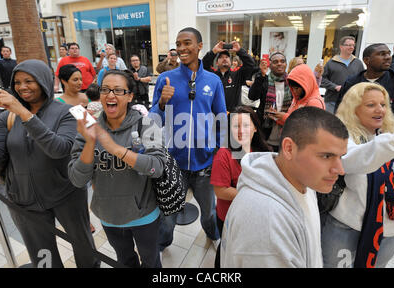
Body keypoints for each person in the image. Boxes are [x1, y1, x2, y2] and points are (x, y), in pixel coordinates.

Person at [0, 59, 99, 268]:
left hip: (66, 194)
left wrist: (24, 113)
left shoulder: (68, 112)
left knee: (83, 244)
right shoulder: (6, 117)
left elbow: (59, 149)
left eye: (29, 81)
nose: (22, 87)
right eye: (18, 82)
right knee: (42, 256)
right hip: (23, 200)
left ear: (44, 81)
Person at [221, 106, 349, 267]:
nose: (340, 170)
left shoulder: (303, 181)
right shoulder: (266, 225)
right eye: (326, 156)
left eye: (340, 157)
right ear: (289, 149)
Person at [68, 70, 167, 268]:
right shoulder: (89, 127)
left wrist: (114, 148)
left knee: (151, 260)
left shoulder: (147, 124)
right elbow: (77, 180)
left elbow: (158, 167)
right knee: (125, 260)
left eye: (118, 90)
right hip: (109, 216)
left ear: (130, 96)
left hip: (144, 214)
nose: (110, 95)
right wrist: (90, 142)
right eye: (105, 89)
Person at [322, 82, 394, 268]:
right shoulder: (342, 135)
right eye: (371, 105)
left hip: (390, 230)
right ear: (354, 108)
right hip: (346, 226)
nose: (380, 110)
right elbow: (352, 161)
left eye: (383, 104)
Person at [149, 27, 227, 252]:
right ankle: (162, 246)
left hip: (205, 165)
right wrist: (162, 103)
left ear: (200, 45)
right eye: (178, 44)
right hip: (174, 165)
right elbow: (153, 123)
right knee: (168, 216)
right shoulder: (165, 79)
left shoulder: (213, 81)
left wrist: (219, 151)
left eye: (187, 43)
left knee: (210, 212)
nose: (181, 48)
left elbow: (220, 118)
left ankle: (214, 236)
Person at [210, 105, 271, 268]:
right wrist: (253, 195)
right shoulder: (224, 154)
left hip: (252, 215)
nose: (241, 130)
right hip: (229, 216)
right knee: (226, 250)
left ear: (255, 128)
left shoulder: (261, 151)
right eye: (236, 126)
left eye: (245, 125)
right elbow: (220, 190)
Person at [335, 43, 394, 129]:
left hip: (389, 136)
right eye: (382, 54)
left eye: (389, 53)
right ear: (366, 60)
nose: (388, 57)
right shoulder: (351, 82)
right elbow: (341, 111)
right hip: (357, 135)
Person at [248, 52, 292, 151]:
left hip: (285, 133)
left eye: (282, 61)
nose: (279, 64)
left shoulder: (291, 82)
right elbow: (252, 96)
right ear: (270, 65)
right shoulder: (264, 80)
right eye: (275, 62)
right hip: (265, 132)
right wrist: (261, 75)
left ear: (286, 64)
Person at [202, 41, 255, 112]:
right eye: (221, 57)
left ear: (230, 62)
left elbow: (250, 64)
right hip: (215, 115)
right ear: (217, 63)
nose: (224, 59)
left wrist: (239, 50)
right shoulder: (212, 75)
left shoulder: (237, 75)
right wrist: (213, 51)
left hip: (233, 115)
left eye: (227, 57)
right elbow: (203, 65)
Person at [321, 36, 365, 113]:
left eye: (353, 45)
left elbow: (363, 80)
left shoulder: (358, 63)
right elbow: (323, 80)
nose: (351, 47)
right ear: (341, 47)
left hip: (352, 102)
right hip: (332, 101)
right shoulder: (331, 63)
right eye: (349, 45)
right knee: (330, 124)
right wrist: (335, 87)